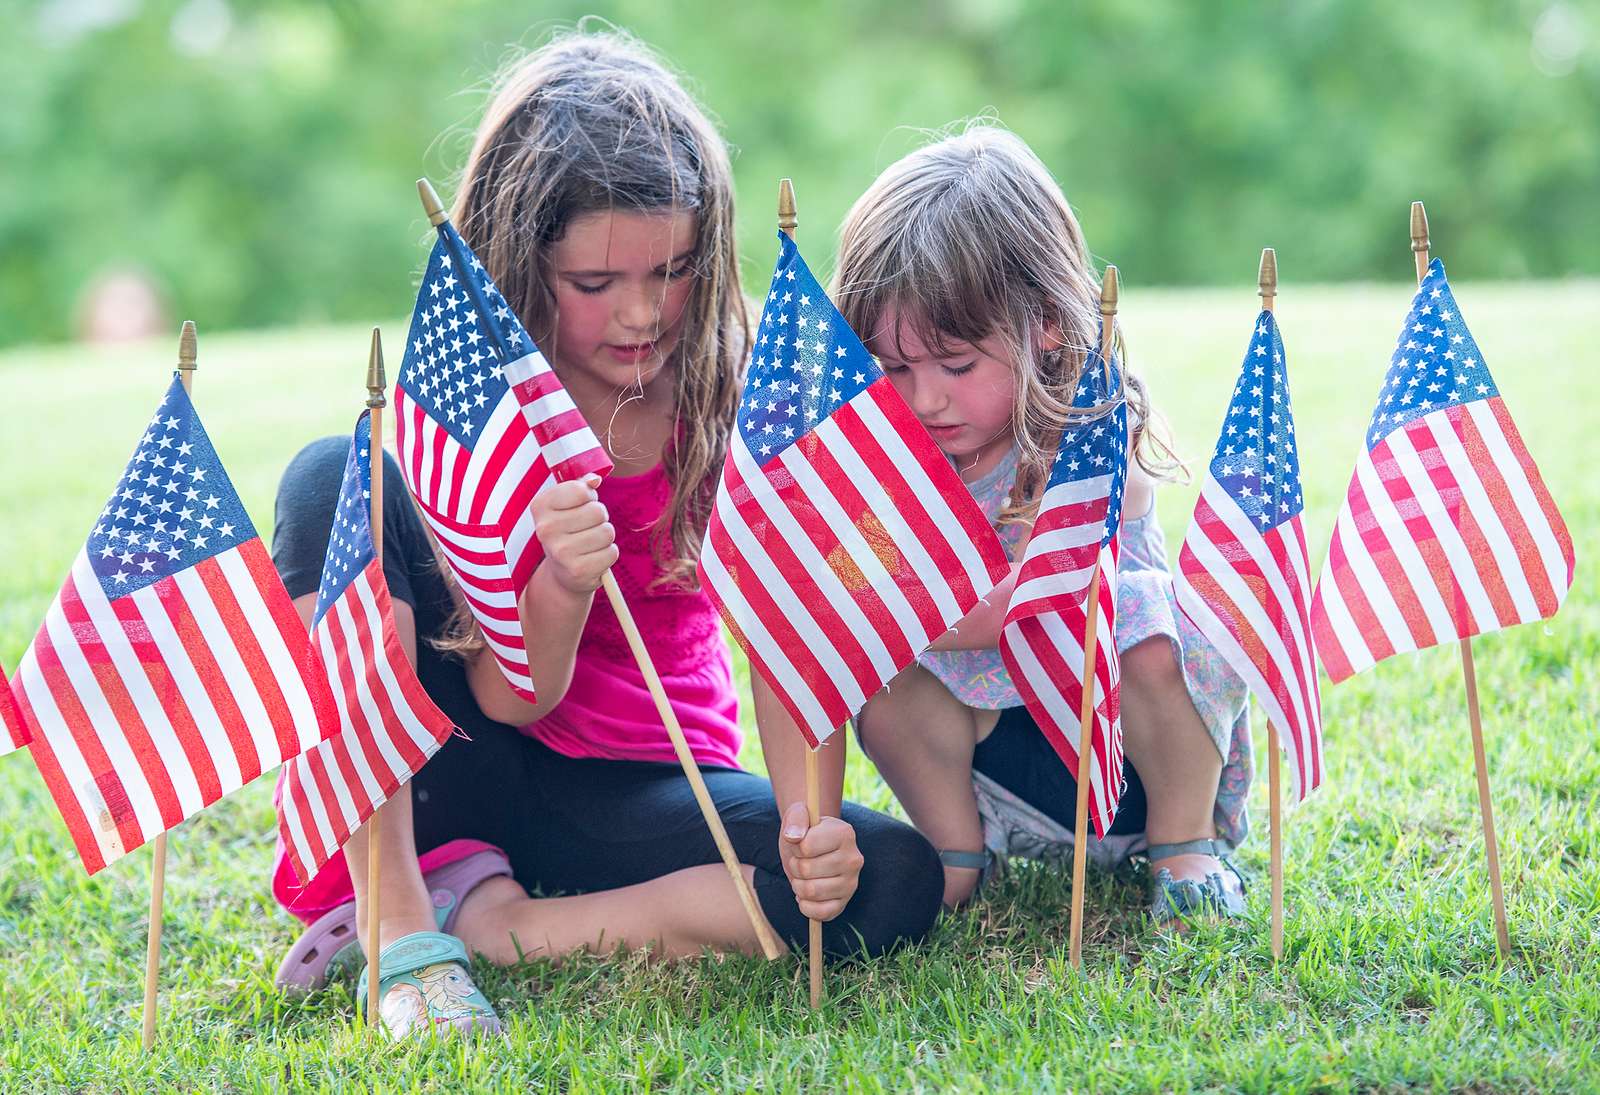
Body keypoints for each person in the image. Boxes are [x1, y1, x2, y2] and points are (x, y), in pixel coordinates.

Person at [270, 29, 942, 1039]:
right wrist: (563, 583)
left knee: (887, 879)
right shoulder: (478, 413)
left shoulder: (730, 395)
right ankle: (400, 924)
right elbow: (517, 692)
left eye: (671, 270)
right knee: (334, 476)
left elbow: (792, 634)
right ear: (520, 259)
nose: (641, 313)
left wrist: (808, 832)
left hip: (642, 788)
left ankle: (503, 929)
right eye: (596, 285)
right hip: (452, 755)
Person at [829, 124, 1253, 924]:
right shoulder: (885, 452)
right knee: (881, 677)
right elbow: (857, 579)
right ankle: (957, 850)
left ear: (1046, 325)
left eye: (956, 365)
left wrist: (898, 608)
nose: (925, 398)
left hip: (1126, 755)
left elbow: (1040, 600)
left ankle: (1183, 847)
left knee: (1156, 617)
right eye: (894, 367)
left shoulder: (1095, 427)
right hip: (992, 762)